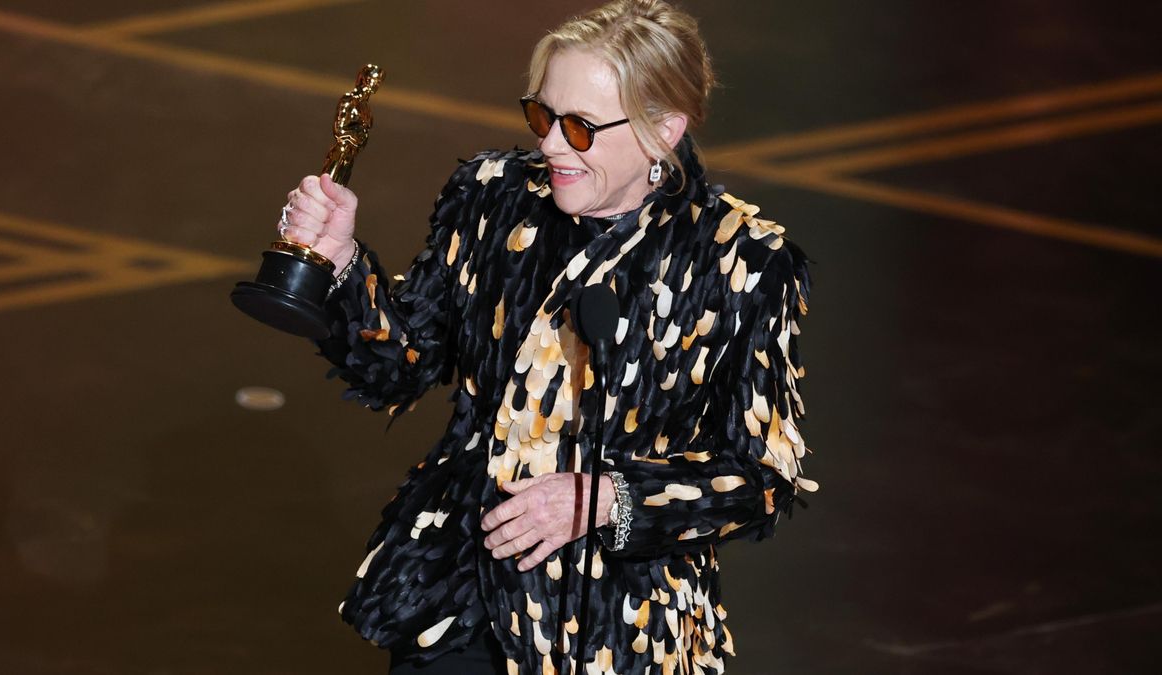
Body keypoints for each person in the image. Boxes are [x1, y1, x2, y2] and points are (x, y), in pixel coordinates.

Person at [274, 1, 817, 672]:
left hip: (623, 630)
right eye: (542, 116)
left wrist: (607, 498)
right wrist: (345, 263)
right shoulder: (492, 198)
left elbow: (762, 476)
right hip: (465, 601)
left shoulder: (741, 263)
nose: (551, 144)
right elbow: (398, 366)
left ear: (662, 131)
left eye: (582, 128)